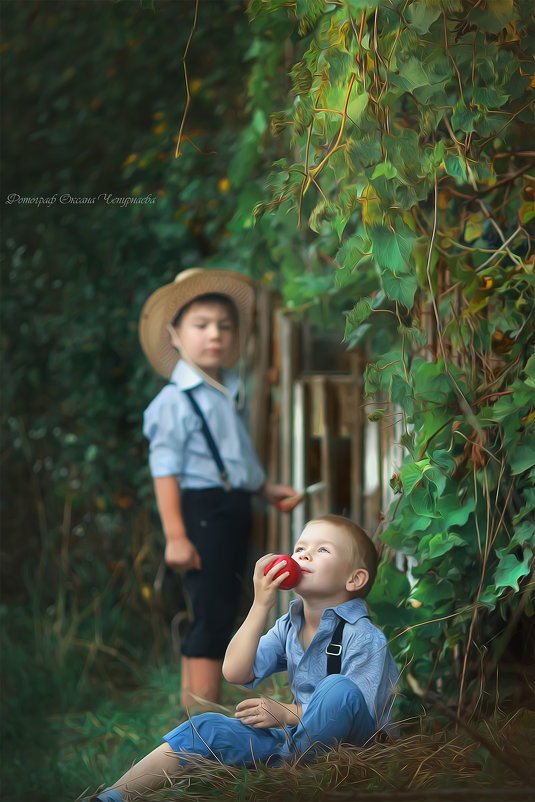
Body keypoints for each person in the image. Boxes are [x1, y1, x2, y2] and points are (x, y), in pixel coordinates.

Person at [87, 514, 399, 802]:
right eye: (300, 547)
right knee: (206, 727)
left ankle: (281, 774)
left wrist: (288, 713)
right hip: (296, 745)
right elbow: (235, 672)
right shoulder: (289, 625)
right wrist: (260, 605)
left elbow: (363, 712)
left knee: (339, 688)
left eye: (323, 550)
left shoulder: (364, 637)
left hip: (353, 748)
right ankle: (114, 796)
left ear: (354, 580)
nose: (303, 554)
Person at [138, 268, 298, 709]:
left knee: (219, 606)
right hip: (201, 510)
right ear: (174, 334)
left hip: (230, 507)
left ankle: (195, 712)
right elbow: (165, 469)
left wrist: (265, 489)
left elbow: (232, 458)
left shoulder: (225, 389)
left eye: (225, 326)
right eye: (201, 325)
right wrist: (175, 535)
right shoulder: (175, 400)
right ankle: (203, 720)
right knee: (213, 612)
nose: (216, 335)